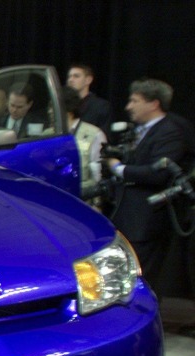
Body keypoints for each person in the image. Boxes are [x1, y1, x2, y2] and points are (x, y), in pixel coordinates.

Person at [104, 78, 187, 298]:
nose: (128, 106)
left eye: (135, 101)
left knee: (142, 278)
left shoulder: (169, 131)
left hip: (146, 219)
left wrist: (120, 169)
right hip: (127, 216)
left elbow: (159, 173)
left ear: (153, 104)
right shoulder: (142, 131)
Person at [63, 85, 107, 205]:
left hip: (84, 202)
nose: (49, 111)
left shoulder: (94, 134)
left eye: (52, 106)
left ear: (68, 109)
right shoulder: (48, 134)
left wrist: (97, 204)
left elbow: (98, 175)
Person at [67, 63, 111, 134]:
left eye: (76, 76)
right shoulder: (63, 105)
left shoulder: (100, 106)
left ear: (88, 80)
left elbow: (103, 136)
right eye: (69, 76)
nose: (70, 80)